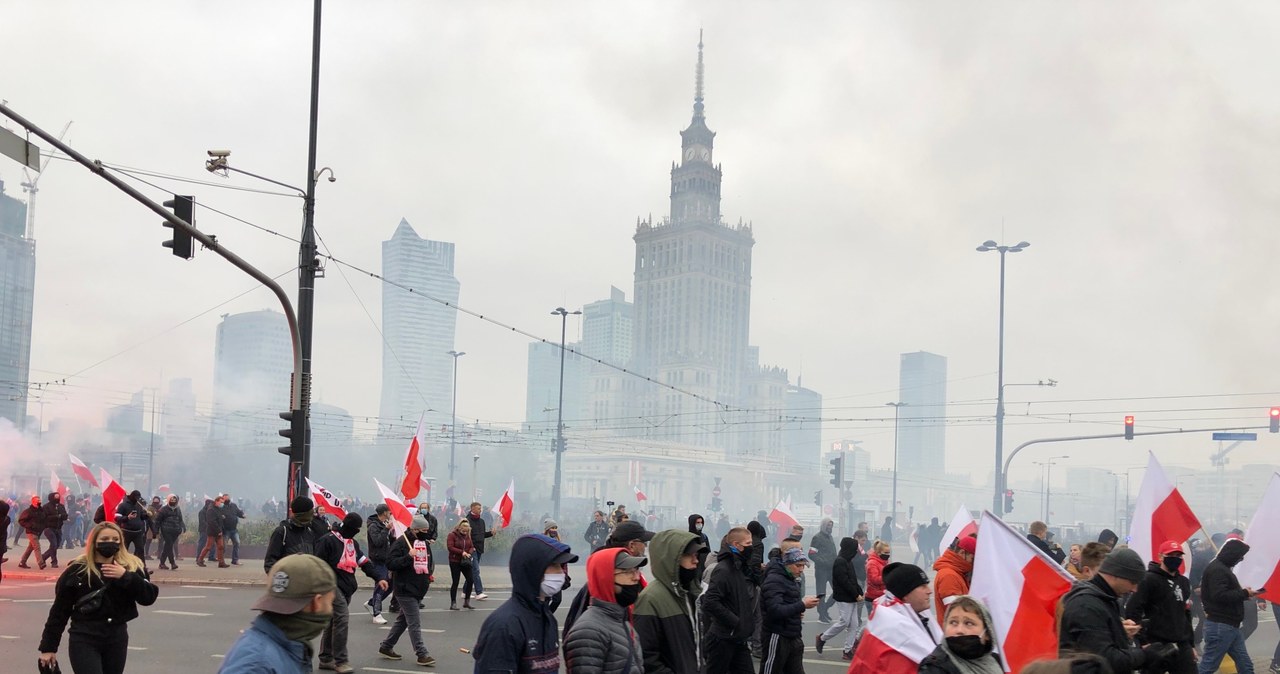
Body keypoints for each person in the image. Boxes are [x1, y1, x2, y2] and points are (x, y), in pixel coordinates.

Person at [38, 521, 159, 674]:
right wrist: (48, 648)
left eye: (115, 540)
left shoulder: (131, 566)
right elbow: (59, 612)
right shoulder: (78, 570)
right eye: (105, 540)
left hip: (116, 637)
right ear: (94, 542)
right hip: (84, 637)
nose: (111, 543)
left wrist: (125, 577)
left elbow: (148, 597)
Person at [472, 533, 578, 673]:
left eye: (561, 566)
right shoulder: (504, 626)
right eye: (554, 565)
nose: (561, 573)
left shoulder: (547, 618)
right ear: (532, 568)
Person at [1059, 547, 1175, 674]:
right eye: (1133, 581)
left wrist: (1119, 631)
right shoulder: (1086, 605)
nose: (1135, 589)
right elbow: (1103, 659)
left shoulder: (1105, 599)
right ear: (1115, 575)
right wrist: (1145, 655)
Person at [220, 553, 338, 673]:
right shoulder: (258, 665)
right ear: (317, 603)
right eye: (330, 602)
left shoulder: (284, 645)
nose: (331, 610)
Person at [314, 513, 389, 673]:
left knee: (332, 622)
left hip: (346, 586)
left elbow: (364, 562)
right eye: (355, 528)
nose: (356, 531)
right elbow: (317, 564)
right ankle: (341, 661)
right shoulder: (327, 540)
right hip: (330, 585)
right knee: (342, 618)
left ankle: (326, 658)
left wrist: (379, 577)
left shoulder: (352, 543)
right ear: (348, 527)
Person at [563, 520, 655, 639]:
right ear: (632, 545)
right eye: (644, 542)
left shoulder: (632, 577)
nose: (645, 547)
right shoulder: (598, 586)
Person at [848, 561, 941, 673]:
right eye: (922, 586)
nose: (929, 591)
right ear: (905, 594)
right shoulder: (894, 633)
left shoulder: (919, 617)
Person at [633, 528, 705, 674]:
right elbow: (646, 656)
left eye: (696, 555)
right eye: (689, 555)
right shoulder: (651, 599)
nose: (695, 560)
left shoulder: (688, 593)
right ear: (672, 559)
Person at [564, 548, 647, 674]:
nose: (636, 577)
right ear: (605, 578)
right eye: (627, 571)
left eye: (636, 570)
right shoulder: (589, 630)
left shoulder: (622, 620)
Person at [1125, 540, 1194, 674]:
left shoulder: (1184, 582)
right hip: (1156, 642)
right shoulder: (1148, 579)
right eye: (1171, 555)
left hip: (1181, 643)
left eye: (1179, 556)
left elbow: (1185, 613)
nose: (1176, 559)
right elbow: (1133, 609)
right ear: (1161, 557)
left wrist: (1191, 644)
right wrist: (1142, 640)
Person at [378, 515, 437, 667]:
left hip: (419, 588)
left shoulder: (423, 543)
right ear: (415, 529)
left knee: (402, 621)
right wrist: (408, 557)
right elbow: (390, 563)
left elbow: (428, 560)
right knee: (414, 623)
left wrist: (428, 574)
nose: (426, 533)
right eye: (423, 530)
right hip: (405, 589)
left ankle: (386, 646)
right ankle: (422, 654)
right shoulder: (401, 543)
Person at [1198, 538, 1259, 674]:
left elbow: (1224, 593)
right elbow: (1219, 595)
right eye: (1240, 556)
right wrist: (1243, 593)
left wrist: (1244, 594)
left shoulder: (1221, 568)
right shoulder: (1218, 570)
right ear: (1232, 554)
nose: (1241, 559)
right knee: (1208, 667)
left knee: (1246, 665)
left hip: (1230, 626)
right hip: (1221, 625)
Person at [701, 526, 757, 674]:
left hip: (737, 638)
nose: (751, 547)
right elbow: (710, 602)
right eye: (748, 544)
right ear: (736, 545)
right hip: (723, 638)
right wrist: (735, 621)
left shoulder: (738, 567)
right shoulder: (723, 569)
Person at [760, 547, 819, 674]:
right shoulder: (774, 580)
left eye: (803, 566)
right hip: (778, 634)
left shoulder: (791, 579)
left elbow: (788, 604)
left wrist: (798, 611)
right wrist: (802, 605)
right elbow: (775, 610)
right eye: (798, 565)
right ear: (787, 564)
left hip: (793, 634)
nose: (801, 569)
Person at [918, 595, 1004, 674]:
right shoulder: (935, 669)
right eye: (953, 622)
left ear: (987, 633)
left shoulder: (998, 661)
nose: (959, 630)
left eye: (969, 623)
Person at [815, 536, 863, 660]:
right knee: (844, 621)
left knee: (854, 624)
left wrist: (859, 591)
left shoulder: (848, 561)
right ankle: (822, 638)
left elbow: (852, 579)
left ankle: (847, 650)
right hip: (843, 597)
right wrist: (856, 594)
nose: (856, 551)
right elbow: (844, 581)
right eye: (854, 549)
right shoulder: (840, 561)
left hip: (851, 597)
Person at [264, 496, 333, 572]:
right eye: (311, 511)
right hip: (288, 581)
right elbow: (270, 563)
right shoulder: (282, 532)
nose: (313, 513)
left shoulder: (310, 532)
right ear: (304, 513)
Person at [364, 503, 393, 624]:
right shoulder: (373, 526)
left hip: (386, 559)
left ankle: (372, 603)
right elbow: (377, 541)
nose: (390, 513)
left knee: (390, 585)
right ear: (384, 512)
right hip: (377, 560)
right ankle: (377, 613)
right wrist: (386, 530)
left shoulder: (383, 524)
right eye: (389, 511)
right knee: (381, 585)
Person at [933, 535, 976, 617]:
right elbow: (957, 613)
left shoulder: (958, 573)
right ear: (962, 553)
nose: (973, 563)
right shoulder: (949, 576)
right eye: (972, 559)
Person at [810, 518, 838, 623]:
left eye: (831, 525)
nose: (830, 528)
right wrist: (823, 561)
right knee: (821, 593)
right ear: (823, 525)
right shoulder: (817, 538)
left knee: (837, 591)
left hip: (831, 569)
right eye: (828, 525)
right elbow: (811, 554)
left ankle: (825, 608)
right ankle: (822, 614)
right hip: (821, 570)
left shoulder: (830, 537)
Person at [449, 518, 478, 610]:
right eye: (464, 531)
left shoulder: (468, 536)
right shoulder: (452, 535)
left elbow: (471, 546)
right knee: (455, 582)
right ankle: (453, 602)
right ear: (459, 528)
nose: (465, 532)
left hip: (465, 561)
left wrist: (469, 552)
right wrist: (462, 552)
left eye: (467, 531)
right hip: (455, 561)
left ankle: (467, 601)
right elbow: (450, 547)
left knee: (470, 580)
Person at [113, 490, 150, 560]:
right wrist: (127, 518)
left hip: (138, 532)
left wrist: (147, 515)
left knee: (140, 550)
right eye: (136, 497)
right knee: (124, 549)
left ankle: (142, 568)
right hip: (126, 531)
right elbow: (116, 517)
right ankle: (122, 565)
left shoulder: (138, 506)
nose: (137, 499)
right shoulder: (123, 505)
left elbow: (141, 517)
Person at [197, 495, 230, 568]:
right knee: (208, 547)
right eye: (221, 502)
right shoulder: (211, 509)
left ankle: (221, 562)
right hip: (212, 531)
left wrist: (222, 517)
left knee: (221, 546)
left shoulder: (218, 509)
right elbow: (212, 522)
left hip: (219, 531)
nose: (222, 504)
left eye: (223, 502)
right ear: (216, 501)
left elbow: (218, 518)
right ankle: (200, 559)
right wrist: (218, 530)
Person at [155, 494, 184, 570]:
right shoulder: (163, 510)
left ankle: (162, 563)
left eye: (175, 500)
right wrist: (156, 531)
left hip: (175, 531)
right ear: (168, 500)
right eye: (172, 500)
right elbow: (158, 521)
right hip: (166, 530)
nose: (173, 502)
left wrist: (182, 527)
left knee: (167, 547)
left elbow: (180, 519)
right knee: (169, 545)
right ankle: (173, 563)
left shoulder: (178, 509)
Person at [41, 492, 69, 568]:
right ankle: (54, 562)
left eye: (58, 497)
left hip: (58, 528)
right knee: (53, 544)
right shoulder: (46, 507)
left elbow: (65, 516)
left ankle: (43, 557)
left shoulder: (61, 506)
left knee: (57, 545)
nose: (57, 499)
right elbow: (45, 517)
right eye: (55, 497)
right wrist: (57, 516)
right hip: (49, 528)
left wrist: (60, 516)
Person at [19, 495, 46, 569]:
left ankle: (22, 562)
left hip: (38, 531)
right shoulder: (28, 511)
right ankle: (41, 563)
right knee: (37, 547)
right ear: (33, 502)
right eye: (37, 501)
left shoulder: (41, 511)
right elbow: (21, 521)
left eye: (40, 501)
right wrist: (30, 525)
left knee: (30, 547)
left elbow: (44, 519)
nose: (39, 502)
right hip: (31, 532)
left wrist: (43, 526)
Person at [222, 493, 246, 565]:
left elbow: (238, 512)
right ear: (223, 499)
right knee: (224, 546)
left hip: (234, 530)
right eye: (225, 499)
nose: (227, 500)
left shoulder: (233, 505)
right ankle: (221, 560)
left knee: (237, 543)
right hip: (226, 530)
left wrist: (242, 515)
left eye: (228, 498)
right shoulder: (221, 507)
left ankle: (235, 560)